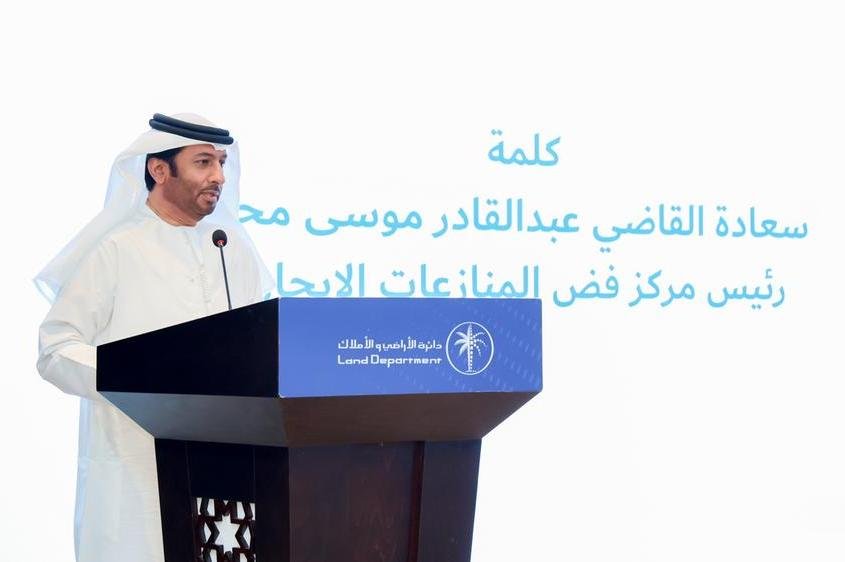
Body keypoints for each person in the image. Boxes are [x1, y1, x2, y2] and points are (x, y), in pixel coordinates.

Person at [35, 113, 274, 562]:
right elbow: (56, 348)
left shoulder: (232, 248)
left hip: (225, 465)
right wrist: (136, 375)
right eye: (203, 162)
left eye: (222, 163)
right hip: (135, 459)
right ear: (159, 170)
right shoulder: (116, 248)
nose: (219, 177)